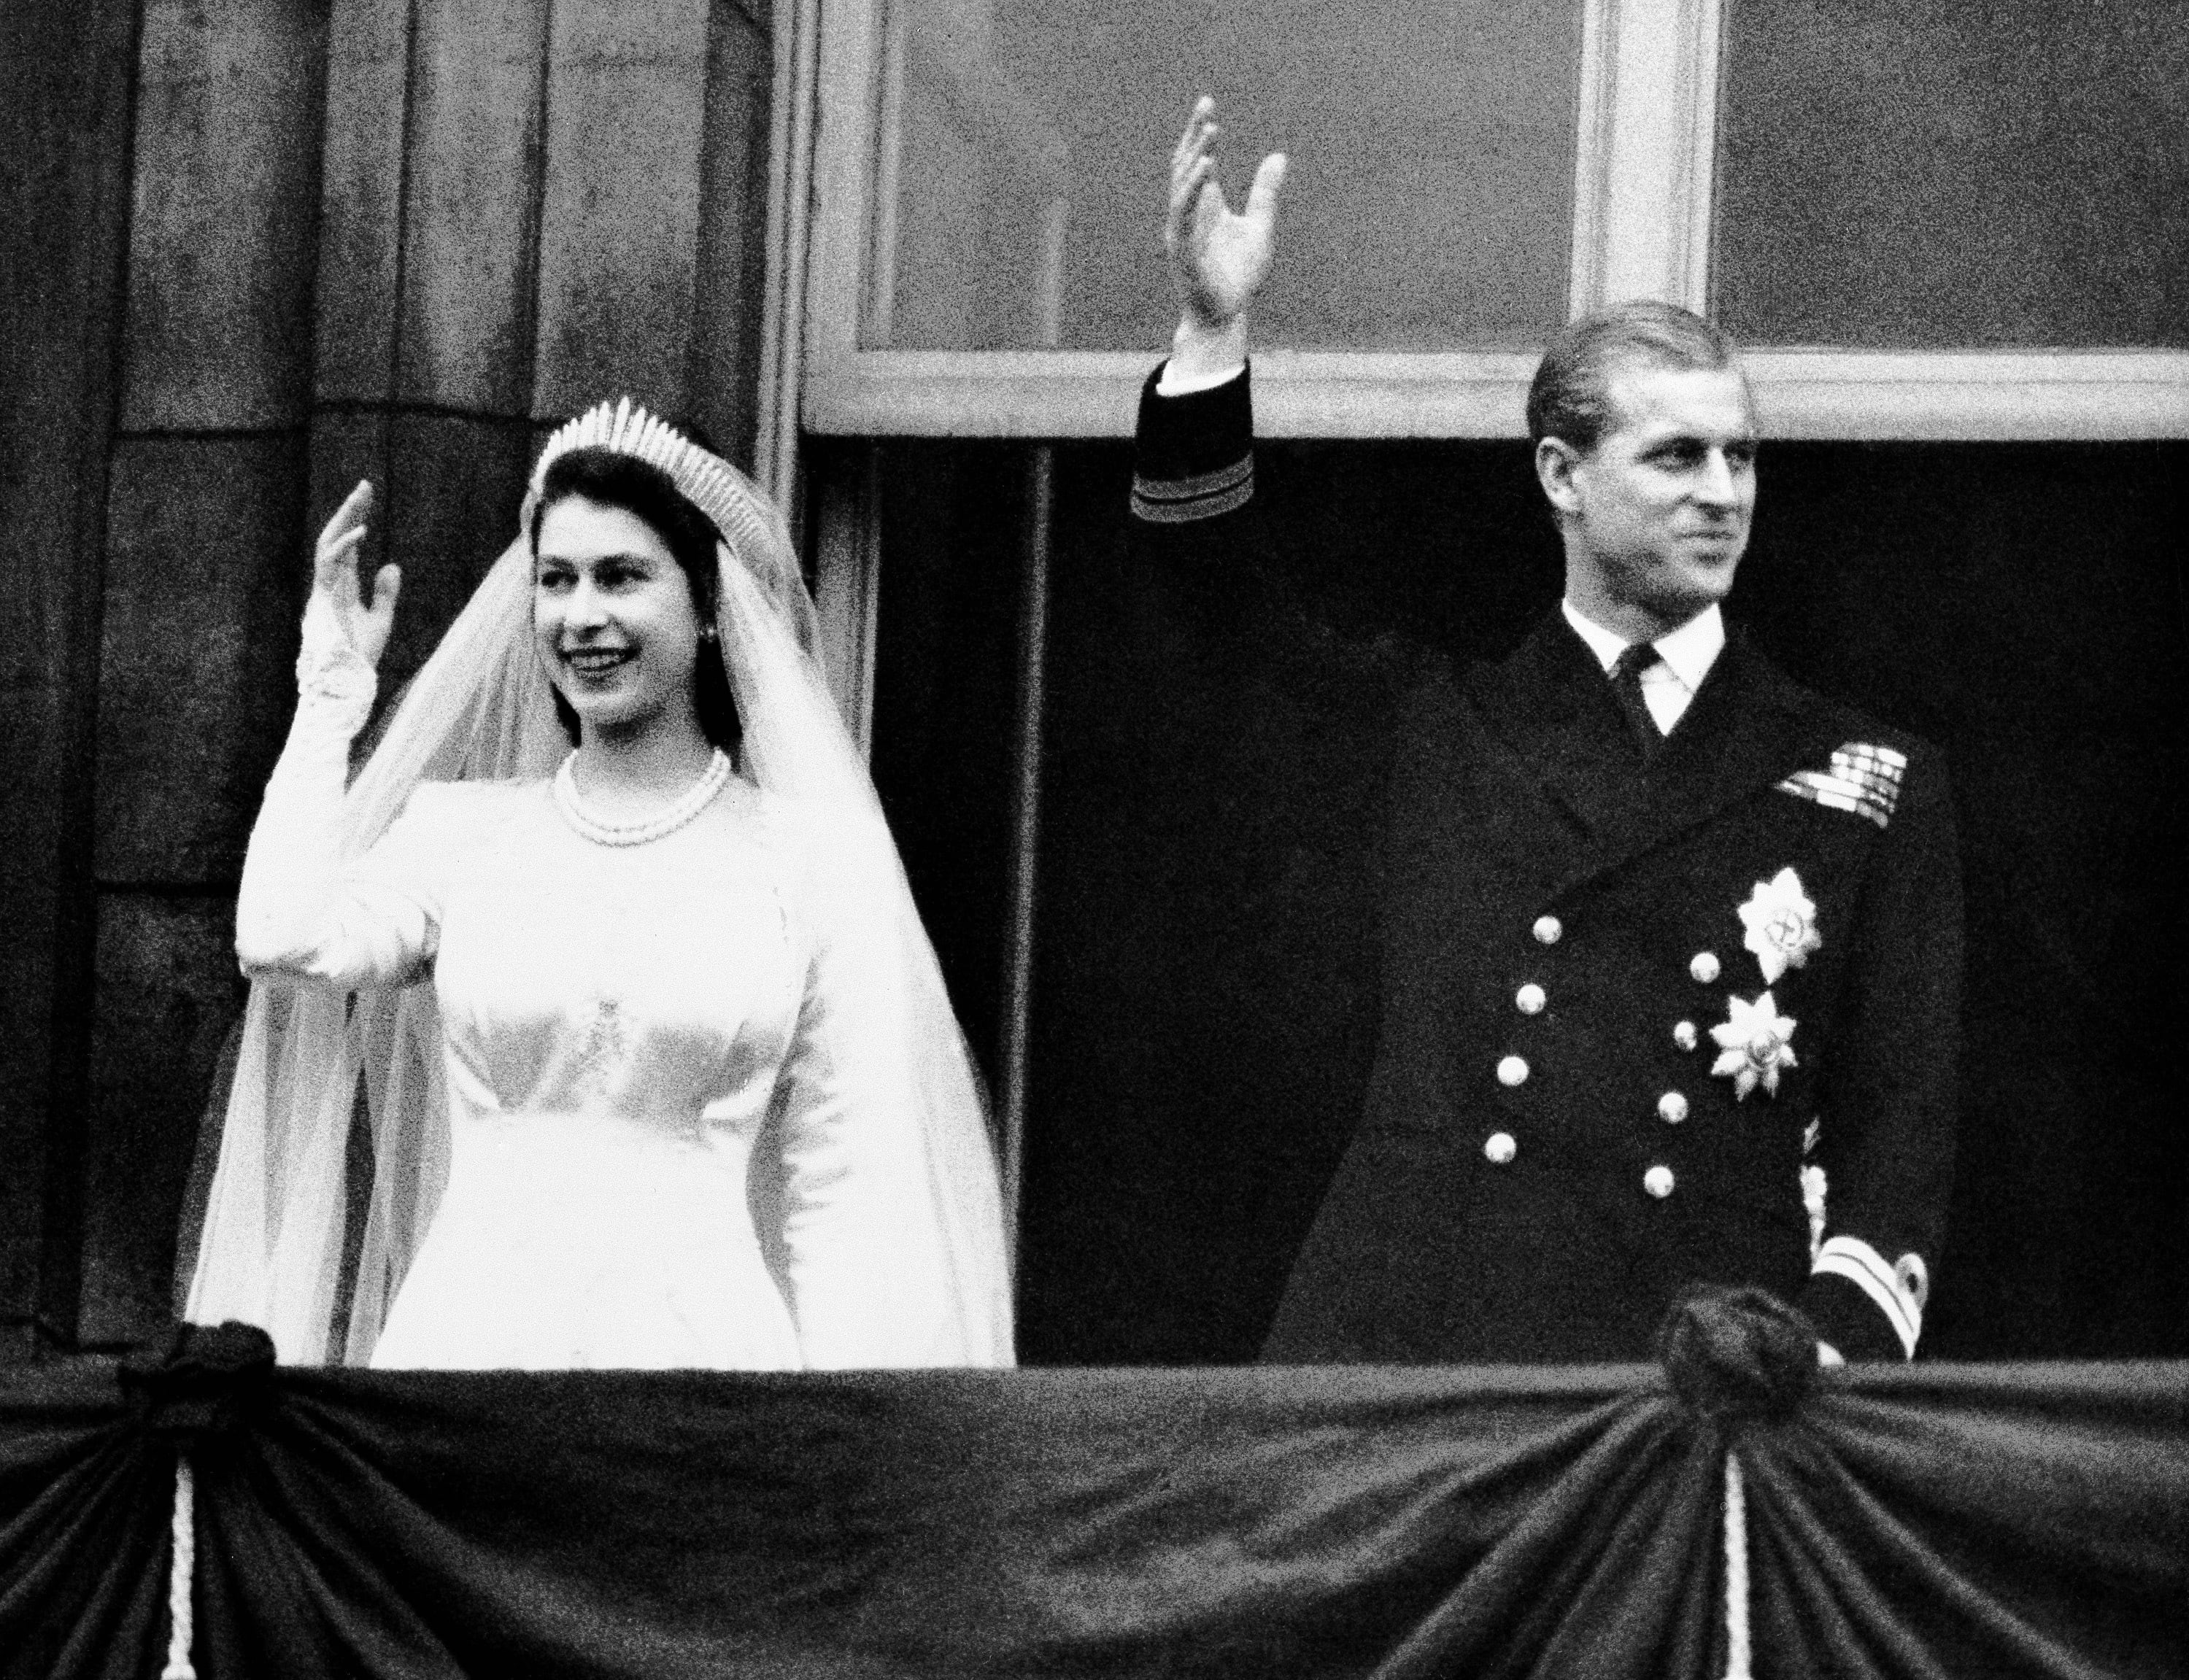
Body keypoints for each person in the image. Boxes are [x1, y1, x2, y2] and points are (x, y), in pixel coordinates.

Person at [1130, 101, 1963, 1363]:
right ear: (1563, 478)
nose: (1722, 494)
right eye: (1677, 456)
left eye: (1741, 459)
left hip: (1694, 1375)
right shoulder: (1435, 725)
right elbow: (1218, 616)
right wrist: (1211, 333)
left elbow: (1900, 1127)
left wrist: (1819, 1355)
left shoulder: (1867, 782)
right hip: (1421, 1360)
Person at [188, 400, 1015, 1369]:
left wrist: (828, 1448)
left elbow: (845, 1185)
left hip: (703, 1374)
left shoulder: (810, 864)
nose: (584, 616)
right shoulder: (467, 836)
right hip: (467, 1356)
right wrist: (330, 696)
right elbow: (281, 936)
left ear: (708, 603)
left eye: (623, 577)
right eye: (557, 580)